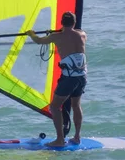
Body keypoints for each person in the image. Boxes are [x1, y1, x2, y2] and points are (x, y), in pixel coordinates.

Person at [27, 11, 87, 147]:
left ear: (61, 22)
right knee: (76, 105)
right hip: (82, 77)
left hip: (68, 79)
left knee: (54, 106)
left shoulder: (56, 37)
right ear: (74, 22)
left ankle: (60, 140)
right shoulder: (82, 35)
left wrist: (31, 34)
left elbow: (39, 41)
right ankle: (77, 137)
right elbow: (73, 32)